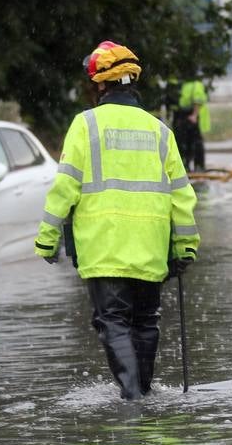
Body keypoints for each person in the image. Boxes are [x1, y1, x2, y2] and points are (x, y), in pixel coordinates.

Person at [34, 40, 200, 401]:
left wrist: (47, 238)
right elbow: (182, 196)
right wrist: (185, 247)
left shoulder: (86, 125)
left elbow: (65, 186)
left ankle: (132, 397)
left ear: (99, 84)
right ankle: (143, 392)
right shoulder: (160, 131)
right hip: (150, 249)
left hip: (104, 248)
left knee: (113, 321)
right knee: (145, 321)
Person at [175, 78, 209, 172]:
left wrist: (194, 115)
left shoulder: (195, 84)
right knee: (187, 143)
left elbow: (197, 100)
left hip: (194, 118)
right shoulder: (186, 84)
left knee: (196, 144)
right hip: (189, 117)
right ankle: (189, 166)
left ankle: (198, 167)